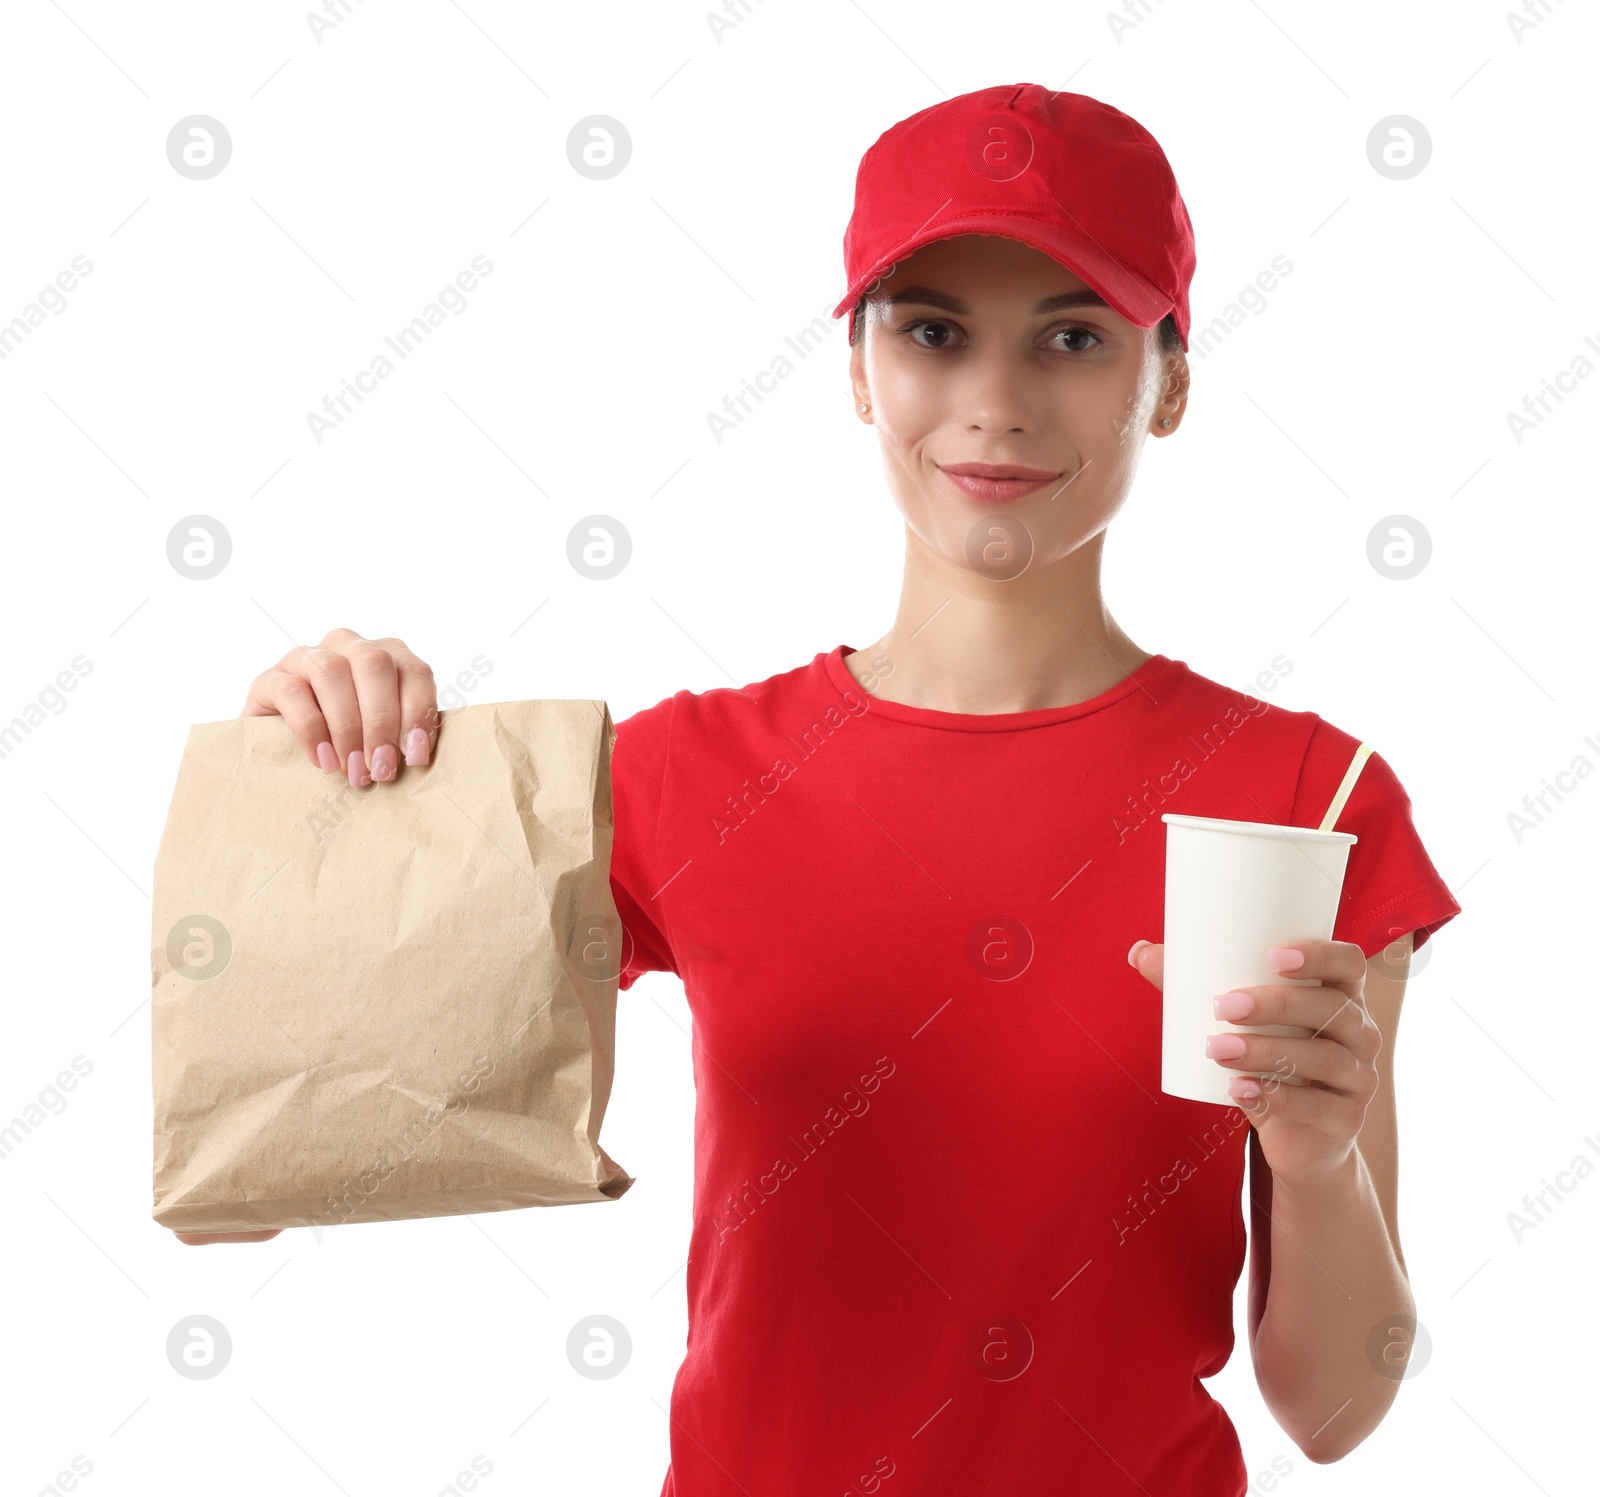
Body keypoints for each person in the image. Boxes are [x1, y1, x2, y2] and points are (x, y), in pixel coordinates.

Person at [176, 84, 1461, 1495]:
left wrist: (1322, 1159)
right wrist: (313, 790)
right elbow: (245, 1192)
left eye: (1074, 337)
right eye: (933, 331)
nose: (995, 403)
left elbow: (1338, 1407)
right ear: (857, 368)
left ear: (1171, 379)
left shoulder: (1307, 792)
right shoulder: (679, 779)